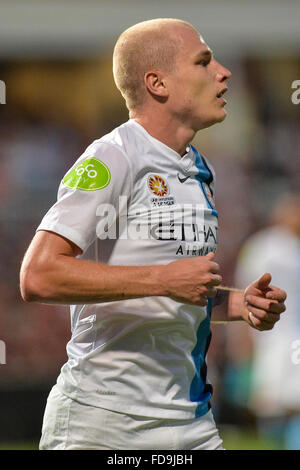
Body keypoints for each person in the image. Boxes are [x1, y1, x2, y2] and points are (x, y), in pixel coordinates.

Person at [20, 18, 286, 450]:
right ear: (157, 83)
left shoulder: (199, 169)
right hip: (104, 424)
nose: (223, 71)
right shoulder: (113, 158)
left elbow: (177, 287)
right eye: (203, 61)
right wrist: (165, 278)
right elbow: (38, 276)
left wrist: (238, 303)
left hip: (191, 419)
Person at [233, 193, 300, 449]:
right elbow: (245, 287)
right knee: (270, 402)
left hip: (292, 334)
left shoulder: (295, 248)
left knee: (293, 400)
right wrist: (243, 335)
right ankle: (269, 441)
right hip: (268, 333)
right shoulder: (263, 246)